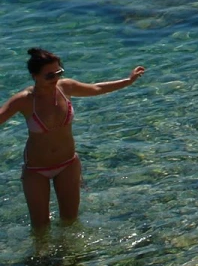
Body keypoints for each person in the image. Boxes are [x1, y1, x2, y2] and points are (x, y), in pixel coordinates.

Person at [1, 48, 146, 229]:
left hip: (68, 164)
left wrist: (128, 81)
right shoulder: (25, 100)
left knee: (70, 221)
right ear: (34, 76)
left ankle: (70, 249)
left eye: (59, 73)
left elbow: (97, 88)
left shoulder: (65, 87)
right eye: (49, 75)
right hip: (36, 170)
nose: (55, 78)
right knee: (40, 226)